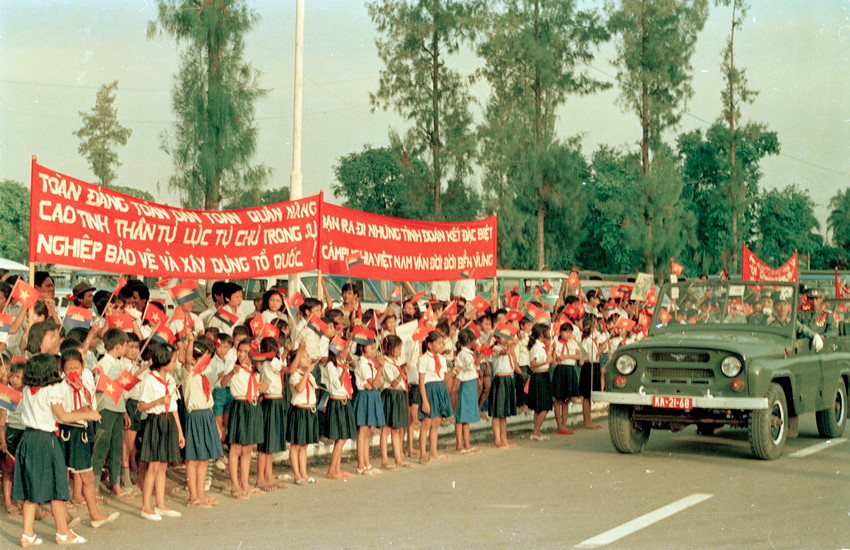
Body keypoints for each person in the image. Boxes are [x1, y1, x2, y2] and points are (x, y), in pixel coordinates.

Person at [15, 353, 101, 546]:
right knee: (56, 487)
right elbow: (62, 416)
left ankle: (27, 534)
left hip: (28, 438)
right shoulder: (51, 390)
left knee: (31, 489)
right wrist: (90, 414)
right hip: (46, 440)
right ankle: (63, 532)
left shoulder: (28, 389)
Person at [59, 349, 120, 529]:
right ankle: (65, 515)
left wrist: (89, 411)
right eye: (68, 368)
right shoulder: (62, 387)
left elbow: (89, 406)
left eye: (76, 367)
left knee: (87, 475)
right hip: (69, 432)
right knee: (64, 475)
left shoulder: (83, 385)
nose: (73, 372)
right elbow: (62, 414)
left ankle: (94, 515)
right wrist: (86, 413)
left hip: (82, 432)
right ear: (62, 369)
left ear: (83, 366)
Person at [137, 342, 184, 521]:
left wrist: (180, 432)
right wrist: (157, 401)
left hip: (168, 422)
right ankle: (145, 506)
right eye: (173, 360)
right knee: (154, 466)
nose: (175, 364)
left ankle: (160, 503)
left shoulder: (171, 380)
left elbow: (173, 408)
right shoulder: (149, 379)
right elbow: (141, 407)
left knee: (163, 465)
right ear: (164, 360)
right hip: (154, 422)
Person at [91, 328, 134, 498]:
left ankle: (115, 484)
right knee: (101, 446)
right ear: (118, 346)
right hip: (106, 409)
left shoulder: (118, 363)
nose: (126, 349)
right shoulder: (104, 363)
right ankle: (94, 487)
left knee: (117, 447)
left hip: (117, 408)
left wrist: (124, 413)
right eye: (125, 346)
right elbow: (100, 386)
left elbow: (121, 391)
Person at [220, 339, 264, 500]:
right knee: (236, 447)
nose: (242, 354)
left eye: (246, 352)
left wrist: (261, 390)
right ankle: (235, 485)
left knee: (247, 448)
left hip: (253, 406)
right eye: (240, 351)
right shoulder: (234, 368)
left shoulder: (254, 372)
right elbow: (222, 382)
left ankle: (245, 483)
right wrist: (232, 373)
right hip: (240, 406)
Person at [181, 338, 223, 508]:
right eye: (203, 359)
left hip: (207, 415)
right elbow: (187, 358)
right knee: (193, 459)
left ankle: (200, 492)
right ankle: (193, 496)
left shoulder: (204, 376)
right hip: (196, 416)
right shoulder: (189, 373)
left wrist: (216, 425)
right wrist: (190, 341)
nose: (206, 363)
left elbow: (209, 401)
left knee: (204, 458)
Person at [417, 331, 453, 464]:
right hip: (429, 390)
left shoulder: (442, 359)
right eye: (439, 343)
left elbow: (442, 377)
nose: (441, 345)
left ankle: (433, 451)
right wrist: (425, 401)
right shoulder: (423, 359)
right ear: (430, 345)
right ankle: (422, 453)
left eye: (442, 343)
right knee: (426, 422)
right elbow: (421, 382)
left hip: (439, 389)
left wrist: (453, 372)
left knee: (436, 422)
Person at [322, 341, 356, 480]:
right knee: (339, 438)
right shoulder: (331, 366)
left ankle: (338, 468)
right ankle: (331, 470)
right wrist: (343, 371)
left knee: (343, 437)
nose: (347, 351)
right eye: (344, 349)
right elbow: (337, 384)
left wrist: (345, 368)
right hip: (336, 401)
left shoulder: (343, 364)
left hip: (345, 399)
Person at [256, 337, 286, 491]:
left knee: (271, 442)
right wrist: (297, 351)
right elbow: (289, 369)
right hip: (270, 401)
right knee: (266, 442)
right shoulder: (270, 362)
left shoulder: (269, 363)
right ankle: (261, 478)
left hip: (276, 400)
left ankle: (268, 475)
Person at [287, 344, 318, 485]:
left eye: (307, 356)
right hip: (299, 410)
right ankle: (296, 474)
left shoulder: (311, 376)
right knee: (296, 444)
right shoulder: (294, 375)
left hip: (309, 410)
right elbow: (299, 388)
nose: (307, 358)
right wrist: (306, 373)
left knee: (304, 444)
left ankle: (304, 473)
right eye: (303, 356)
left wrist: (308, 373)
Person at [379, 335, 410, 470]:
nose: (400, 351)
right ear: (391, 349)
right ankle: (385, 459)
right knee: (387, 428)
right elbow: (392, 382)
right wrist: (401, 374)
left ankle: (398, 457)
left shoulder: (395, 363)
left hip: (398, 395)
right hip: (390, 394)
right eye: (398, 348)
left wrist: (403, 373)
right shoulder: (385, 363)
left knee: (397, 428)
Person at [354, 340, 385, 475]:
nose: (374, 350)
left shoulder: (370, 362)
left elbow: (378, 384)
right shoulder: (362, 364)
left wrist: (379, 369)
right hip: (365, 395)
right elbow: (373, 383)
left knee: (367, 432)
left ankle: (367, 463)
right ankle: (361, 464)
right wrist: (380, 369)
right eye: (371, 348)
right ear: (363, 349)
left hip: (372, 395)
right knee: (362, 431)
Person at [489, 334, 521, 448]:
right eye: (503, 337)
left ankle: (504, 437)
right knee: (498, 412)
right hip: (500, 379)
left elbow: (512, 358)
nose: (506, 339)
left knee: (504, 412)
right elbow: (505, 353)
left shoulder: (508, 348)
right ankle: (497, 438)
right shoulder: (495, 348)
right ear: (497, 338)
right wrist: (515, 343)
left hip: (508, 378)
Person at [452, 329, 480, 453]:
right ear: (469, 341)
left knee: (467, 416)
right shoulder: (464, 354)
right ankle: (459, 444)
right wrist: (481, 356)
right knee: (461, 416)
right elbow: (471, 366)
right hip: (466, 384)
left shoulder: (468, 353)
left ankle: (467, 443)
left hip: (471, 383)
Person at [551, 322, 580, 435]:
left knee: (566, 399)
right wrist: (556, 353)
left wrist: (567, 356)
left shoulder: (573, 343)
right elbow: (553, 361)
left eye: (569, 332)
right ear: (560, 332)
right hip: (560, 369)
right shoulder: (556, 343)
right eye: (565, 332)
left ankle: (564, 424)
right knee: (558, 398)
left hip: (570, 369)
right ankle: (559, 425)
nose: (567, 334)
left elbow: (578, 356)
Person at [580, 316, 608, 429]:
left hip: (594, 365)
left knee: (589, 395)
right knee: (586, 395)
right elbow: (593, 356)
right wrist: (600, 350)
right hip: (589, 366)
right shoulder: (587, 341)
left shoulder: (592, 340)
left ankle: (589, 420)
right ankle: (586, 421)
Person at [527, 324, 554, 441]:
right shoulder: (536, 347)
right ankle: (535, 430)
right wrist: (545, 362)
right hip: (539, 376)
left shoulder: (542, 346)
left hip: (544, 374)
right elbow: (532, 364)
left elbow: (551, 361)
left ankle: (537, 431)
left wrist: (552, 349)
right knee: (544, 405)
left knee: (540, 406)